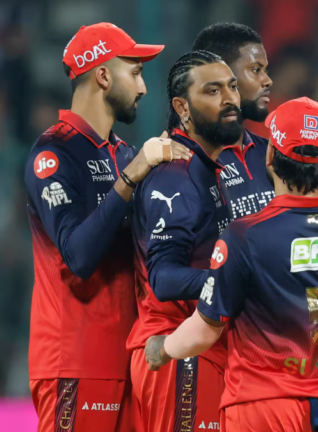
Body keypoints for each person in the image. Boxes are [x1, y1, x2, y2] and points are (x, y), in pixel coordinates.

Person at [144, 97, 318, 432]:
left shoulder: (244, 236)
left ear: (269, 157)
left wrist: (163, 348)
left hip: (258, 410)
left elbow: (207, 328)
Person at [23, 22, 187, 432]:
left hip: (131, 359)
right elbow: (77, 256)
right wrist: (134, 174)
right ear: (102, 75)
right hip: (75, 361)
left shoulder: (124, 153)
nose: (143, 87)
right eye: (134, 72)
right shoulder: (54, 153)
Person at [127, 50, 240, 432]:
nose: (230, 99)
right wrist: (232, 281)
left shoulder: (204, 168)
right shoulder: (175, 175)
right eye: (212, 90)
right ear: (182, 107)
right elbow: (163, 277)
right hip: (175, 352)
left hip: (197, 349)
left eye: (232, 87)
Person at [192, 23, 276, 219]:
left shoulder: (273, 154)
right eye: (256, 69)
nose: (267, 80)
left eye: (266, 70)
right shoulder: (183, 163)